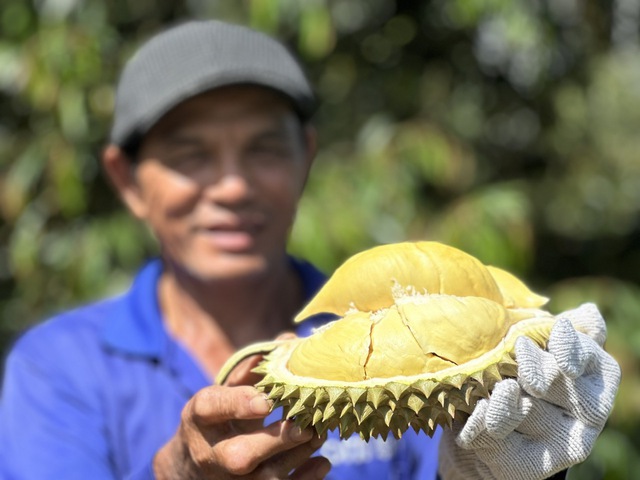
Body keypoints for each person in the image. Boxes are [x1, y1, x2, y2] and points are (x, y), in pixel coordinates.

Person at [0, 19, 620, 480]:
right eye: (190, 155)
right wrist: (174, 475)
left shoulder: (382, 339)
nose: (233, 186)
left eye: (265, 148)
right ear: (128, 181)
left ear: (306, 159)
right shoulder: (55, 369)